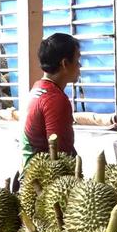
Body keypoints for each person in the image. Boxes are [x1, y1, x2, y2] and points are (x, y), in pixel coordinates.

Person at [21, 33, 81, 167]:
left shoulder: (37, 89)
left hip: (28, 175)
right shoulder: (55, 99)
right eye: (77, 60)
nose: (80, 66)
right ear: (65, 64)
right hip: (43, 182)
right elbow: (62, 155)